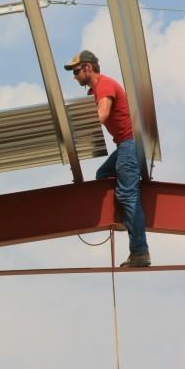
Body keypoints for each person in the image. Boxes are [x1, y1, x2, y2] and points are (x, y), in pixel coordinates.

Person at [64, 51, 150, 267]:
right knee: (103, 175)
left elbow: (102, 113)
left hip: (130, 143)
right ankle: (128, 219)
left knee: (127, 194)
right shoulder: (98, 88)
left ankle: (139, 251)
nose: (75, 77)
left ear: (88, 68)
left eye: (76, 71)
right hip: (125, 144)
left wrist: (73, 134)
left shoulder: (103, 85)